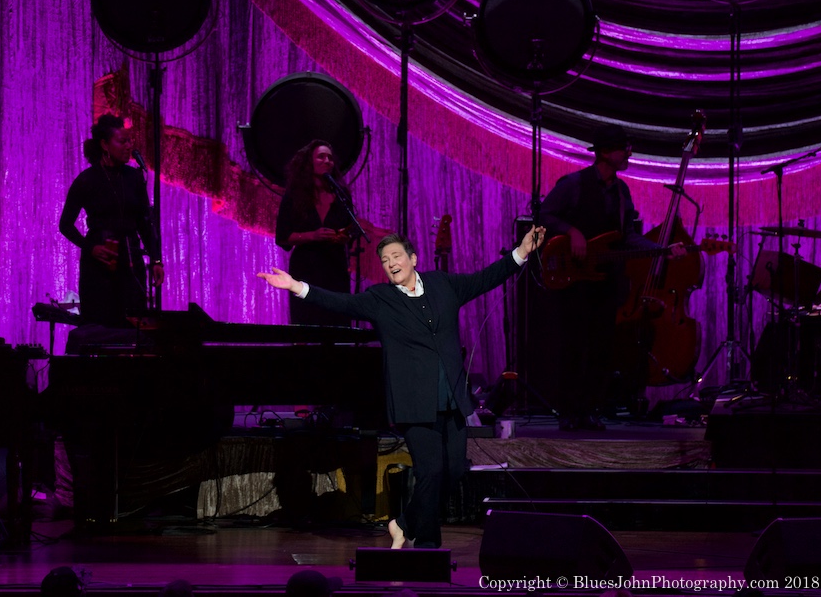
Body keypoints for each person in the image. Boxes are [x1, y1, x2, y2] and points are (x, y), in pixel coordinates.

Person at [258, 225, 545, 549]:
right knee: (431, 473)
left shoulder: (443, 285)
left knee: (453, 472)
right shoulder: (380, 300)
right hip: (414, 404)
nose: (390, 263)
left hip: (451, 400)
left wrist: (522, 251)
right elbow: (340, 303)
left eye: (396, 256)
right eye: (384, 260)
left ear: (413, 258)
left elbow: (486, 278)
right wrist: (295, 286)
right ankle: (426, 546)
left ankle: (404, 523)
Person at [536, 124, 684, 431]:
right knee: (573, 345)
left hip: (605, 281)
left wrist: (662, 250)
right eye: (623, 147)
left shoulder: (621, 192)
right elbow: (544, 214)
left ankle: (591, 410)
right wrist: (571, 231)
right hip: (574, 280)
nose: (629, 152)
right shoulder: (574, 184)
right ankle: (569, 411)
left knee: (601, 347)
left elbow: (627, 236)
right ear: (605, 152)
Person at [59, 114, 164, 329]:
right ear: (105, 144)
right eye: (122, 141)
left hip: (131, 259)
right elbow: (65, 224)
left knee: (133, 322)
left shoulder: (134, 177)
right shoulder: (87, 180)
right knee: (100, 324)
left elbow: (145, 223)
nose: (129, 146)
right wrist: (90, 247)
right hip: (100, 261)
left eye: (130, 141)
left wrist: (156, 260)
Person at [275, 139, 363, 327]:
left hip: (335, 267)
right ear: (309, 162)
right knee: (307, 322)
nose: (327, 161)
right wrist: (312, 236)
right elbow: (283, 236)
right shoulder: (294, 195)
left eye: (330, 158)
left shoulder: (341, 194)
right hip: (306, 268)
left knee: (337, 322)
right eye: (321, 157)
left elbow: (351, 228)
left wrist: (344, 236)